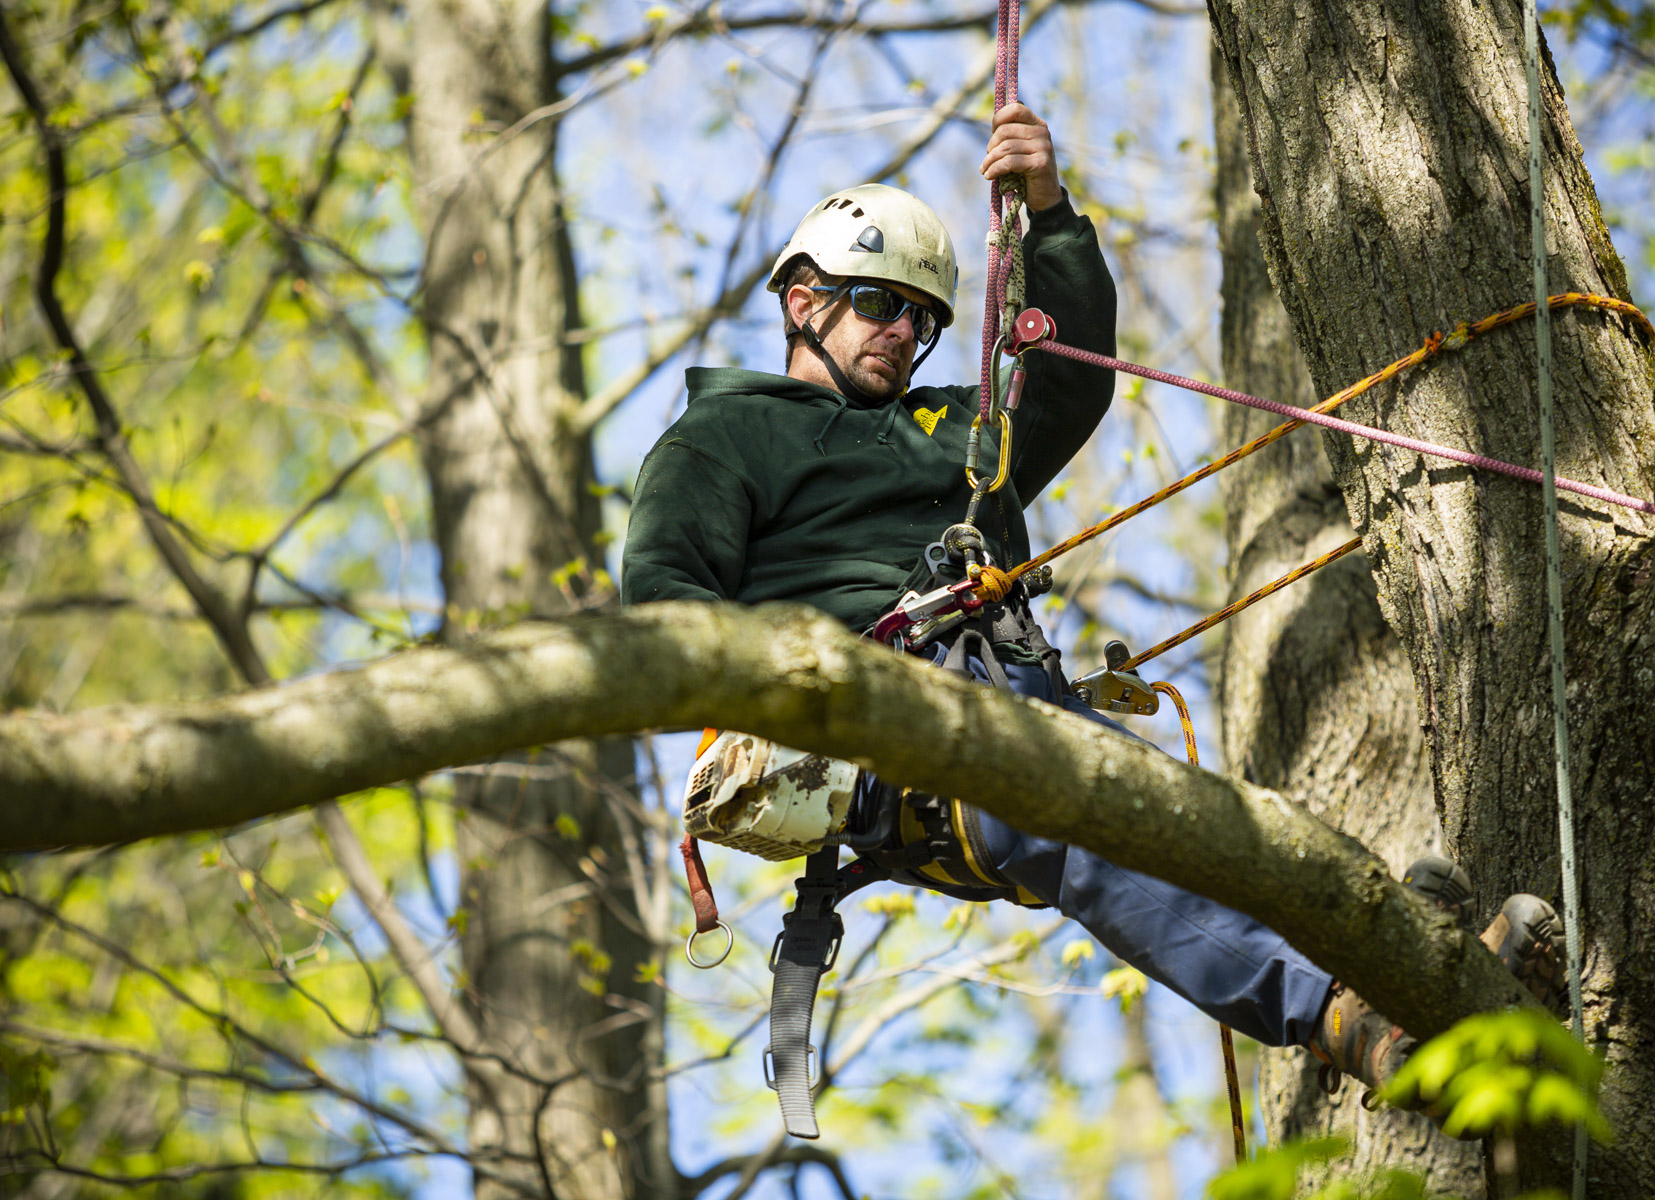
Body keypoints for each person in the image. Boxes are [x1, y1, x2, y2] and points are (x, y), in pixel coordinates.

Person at [621, 102, 1565, 1111]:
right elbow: (665, 611)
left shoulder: (948, 431)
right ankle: (1347, 1016)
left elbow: (1066, 384)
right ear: (803, 300)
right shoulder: (724, 436)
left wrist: (1049, 213)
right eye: (876, 303)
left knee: (1217, 832)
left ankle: (1412, 970)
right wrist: (817, 674)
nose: (904, 331)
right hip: (885, 735)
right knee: (1108, 848)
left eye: (922, 317)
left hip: (1014, 695)